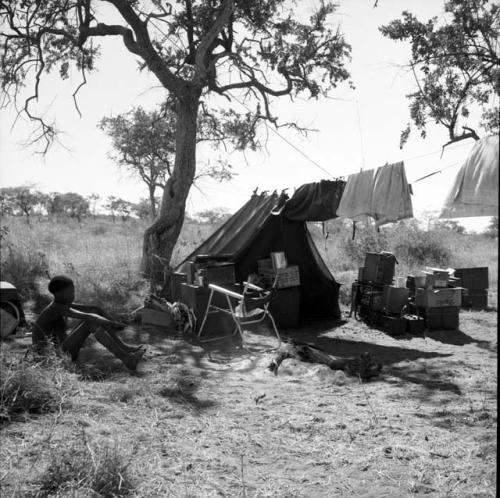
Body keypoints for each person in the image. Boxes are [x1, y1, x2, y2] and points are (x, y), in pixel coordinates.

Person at [32, 275, 145, 370]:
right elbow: (89, 316)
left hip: (60, 351)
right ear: (60, 294)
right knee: (91, 323)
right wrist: (112, 323)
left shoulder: (60, 303)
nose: (73, 295)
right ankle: (126, 359)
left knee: (94, 313)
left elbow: (92, 310)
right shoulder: (56, 308)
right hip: (52, 358)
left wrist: (101, 312)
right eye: (71, 292)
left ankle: (124, 348)